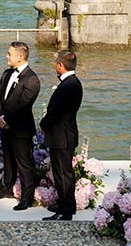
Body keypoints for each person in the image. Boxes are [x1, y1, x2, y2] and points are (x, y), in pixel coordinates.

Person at [0, 41, 40, 212]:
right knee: (8, 159)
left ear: (20, 57)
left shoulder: (31, 78)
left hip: (21, 129)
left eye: (10, 53)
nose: (7, 56)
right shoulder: (6, 73)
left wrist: (7, 119)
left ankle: (27, 198)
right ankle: (6, 188)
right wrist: (0, 117)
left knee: (24, 163)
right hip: (5, 126)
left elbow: (24, 105)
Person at [40, 51, 83, 221]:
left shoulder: (67, 86)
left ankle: (65, 210)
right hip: (65, 134)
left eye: (56, 63)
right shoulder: (74, 83)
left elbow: (55, 112)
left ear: (60, 65)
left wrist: (43, 124)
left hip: (61, 136)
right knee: (64, 172)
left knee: (62, 173)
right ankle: (67, 205)